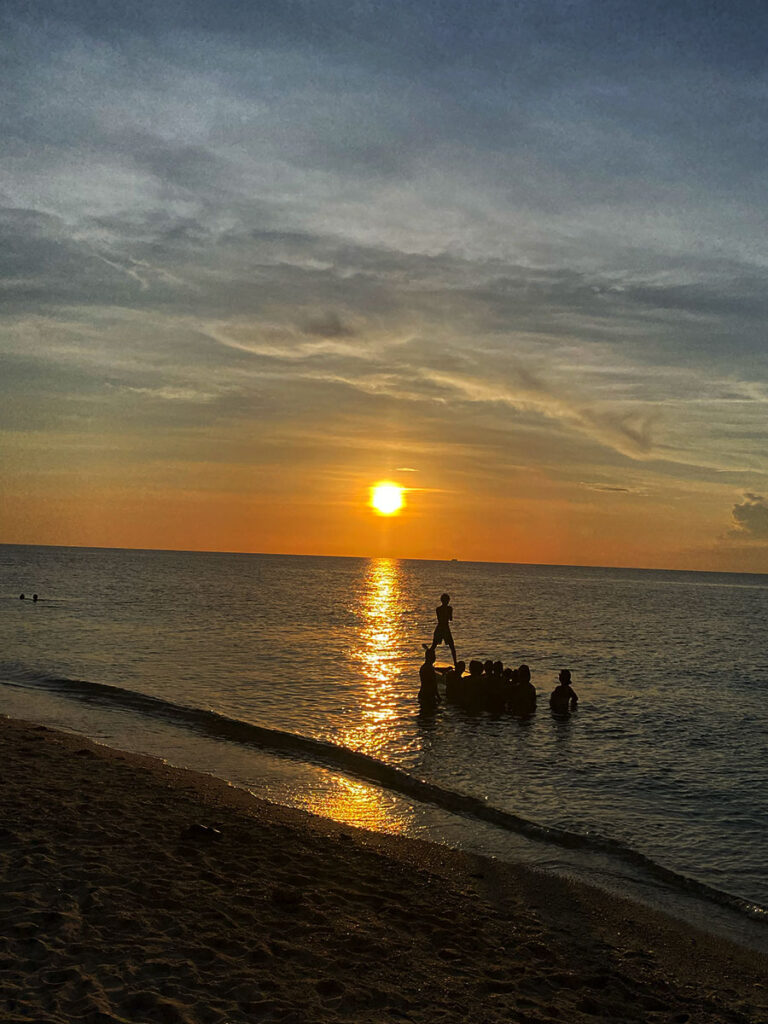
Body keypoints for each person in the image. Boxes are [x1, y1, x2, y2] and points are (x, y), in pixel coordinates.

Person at [428, 593, 457, 666]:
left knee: (434, 646)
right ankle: (455, 663)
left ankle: (428, 658)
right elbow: (450, 618)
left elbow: (443, 618)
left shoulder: (438, 609)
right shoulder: (448, 609)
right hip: (444, 628)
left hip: (441, 628)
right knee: (451, 646)